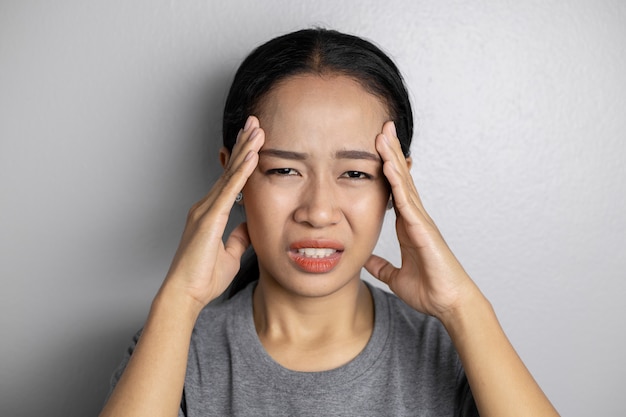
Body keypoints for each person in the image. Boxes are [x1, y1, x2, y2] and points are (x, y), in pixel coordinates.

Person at [100, 28, 559, 417]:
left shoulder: (455, 350)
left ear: (397, 187)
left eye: (356, 173)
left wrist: (463, 307)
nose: (318, 212)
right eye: (284, 170)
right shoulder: (176, 349)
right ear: (232, 179)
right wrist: (179, 300)